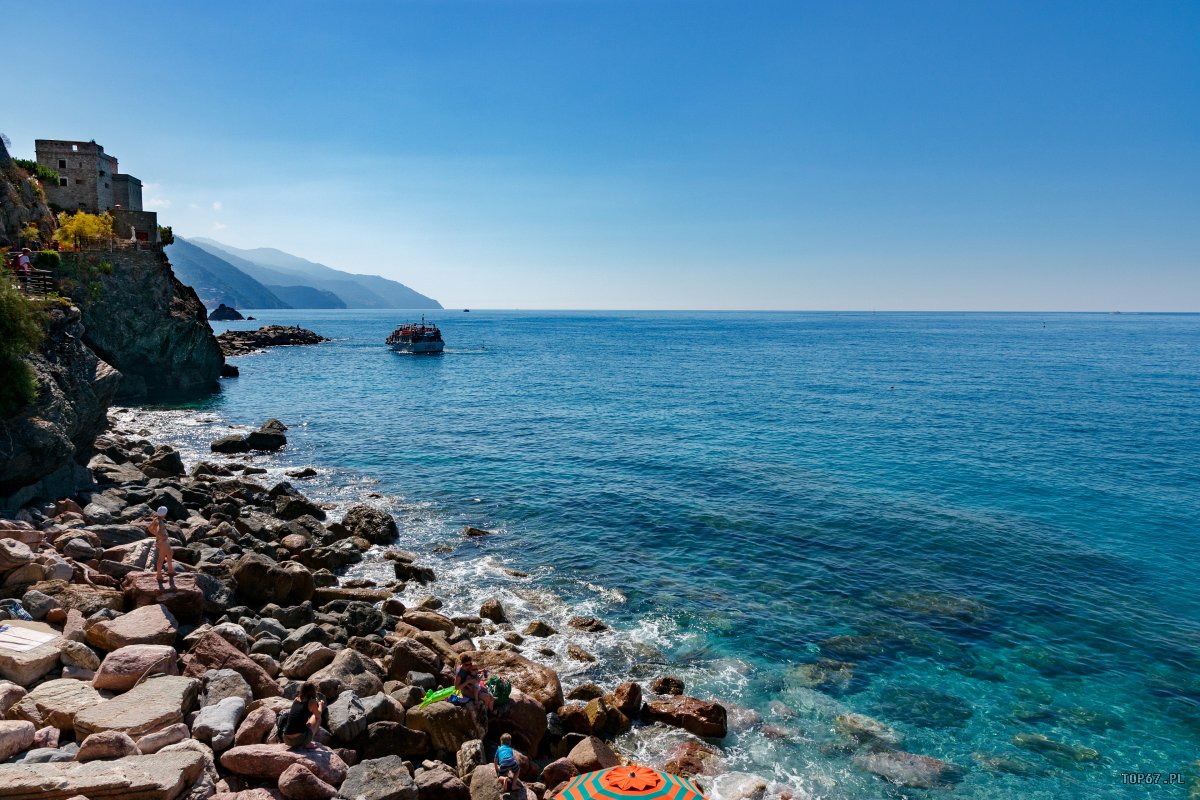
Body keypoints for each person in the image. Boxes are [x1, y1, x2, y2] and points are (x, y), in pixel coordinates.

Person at [282, 682, 324, 749]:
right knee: (317, 718)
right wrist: (321, 705)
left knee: (307, 721)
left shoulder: (296, 699)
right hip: (298, 740)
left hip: (286, 739)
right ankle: (307, 742)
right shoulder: (312, 702)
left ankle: (305, 740)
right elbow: (318, 715)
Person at [144, 506, 175, 586]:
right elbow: (154, 529)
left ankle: (170, 569)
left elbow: (150, 528)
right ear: (164, 514)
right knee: (161, 557)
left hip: (163, 541)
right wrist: (159, 536)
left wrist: (157, 534)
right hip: (162, 542)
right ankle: (159, 575)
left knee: (170, 552)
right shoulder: (159, 522)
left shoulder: (157, 519)